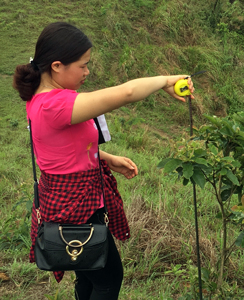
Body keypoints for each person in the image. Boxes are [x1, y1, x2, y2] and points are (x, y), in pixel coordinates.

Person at [13, 22, 194, 300]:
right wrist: (166, 80)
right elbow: (127, 93)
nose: (87, 72)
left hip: (65, 202)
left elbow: (54, 149)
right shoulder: (56, 105)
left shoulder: (43, 96)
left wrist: (106, 158)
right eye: (83, 65)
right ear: (58, 65)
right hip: (77, 208)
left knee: (88, 268)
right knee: (109, 279)